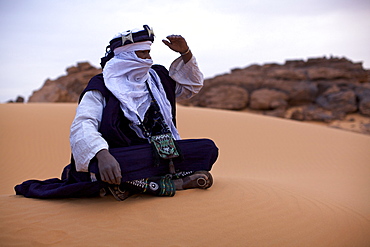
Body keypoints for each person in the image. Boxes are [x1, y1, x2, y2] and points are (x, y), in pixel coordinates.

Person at [15, 25, 218, 201]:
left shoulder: (157, 78)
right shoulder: (101, 85)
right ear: (127, 56)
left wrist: (186, 53)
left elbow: (190, 87)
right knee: (105, 165)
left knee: (207, 149)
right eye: (143, 54)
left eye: (149, 53)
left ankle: (136, 183)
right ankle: (165, 182)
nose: (149, 59)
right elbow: (83, 124)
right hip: (120, 155)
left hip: (161, 152)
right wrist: (102, 155)